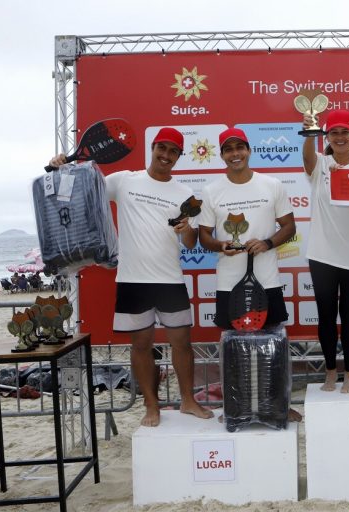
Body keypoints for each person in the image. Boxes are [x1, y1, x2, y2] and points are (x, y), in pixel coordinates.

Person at [49, 127, 213, 427]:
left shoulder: (185, 194)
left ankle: (188, 400)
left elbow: (191, 242)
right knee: (140, 346)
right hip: (132, 280)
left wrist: (185, 228)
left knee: (182, 344)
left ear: (179, 156)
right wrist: (62, 169)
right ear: (153, 148)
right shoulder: (125, 180)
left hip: (170, 280)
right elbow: (78, 191)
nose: (166, 155)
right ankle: (152, 407)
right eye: (161, 149)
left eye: (173, 151)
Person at [198, 127, 296, 331]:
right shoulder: (210, 191)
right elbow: (204, 237)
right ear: (222, 155)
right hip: (228, 284)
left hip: (268, 281)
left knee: (270, 346)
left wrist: (267, 243)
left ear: (249, 151)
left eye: (240, 147)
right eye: (228, 150)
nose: (235, 154)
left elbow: (289, 227)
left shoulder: (272, 185)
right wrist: (221, 245)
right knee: (234, 347)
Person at [301, 110, 349, 393]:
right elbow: (307, 158)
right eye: (334, 133)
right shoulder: (321, 164)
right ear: (327, 136)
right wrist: (309, 134)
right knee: (326, 315)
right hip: (322, 254)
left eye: (345, 132)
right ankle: (331, 372)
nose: (340, 137)